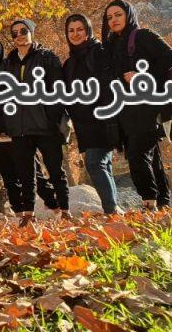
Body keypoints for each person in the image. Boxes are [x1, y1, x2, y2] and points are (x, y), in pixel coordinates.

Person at [102, 0, 172, 210]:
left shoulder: (143, 35)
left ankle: (149, 202)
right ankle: (163, 203)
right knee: (150, 157)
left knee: (137, 154)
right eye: (109, 17)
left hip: (147, 106)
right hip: (125, 111)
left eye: (118, 14)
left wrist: (141, 74)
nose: (113, 20)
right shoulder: (111, 45)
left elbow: (170, 57)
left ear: (129, 15)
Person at [0, 35, 60, 220]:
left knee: (34, 177)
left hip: (16, 134)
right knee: (9, 180)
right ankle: (21, 219)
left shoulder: (9, 68)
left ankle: (58, 211)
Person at [0, 19, 70, 226]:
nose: (19, 35)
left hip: (45, 126)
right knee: (25, 174)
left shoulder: (47, 57)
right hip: (19, 127)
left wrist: (52, 118)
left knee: (55, 170)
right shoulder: (8, 63)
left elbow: (59, 90)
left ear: (31, 32)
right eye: (14, 33)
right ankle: (28, 215)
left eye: (23, 31)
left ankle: (65, 212)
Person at [63, 14, 120, 215]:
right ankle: (114, 209)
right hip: (84, 124)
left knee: (94, 163)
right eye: (71, 30)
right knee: (104, 165)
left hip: (104, 118)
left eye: (80, 29)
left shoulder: (99, 52)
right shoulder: (69, 62)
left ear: (88, 30)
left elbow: (108, 86)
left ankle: (111, 210)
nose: (75, 34)